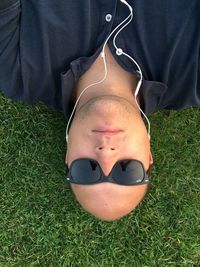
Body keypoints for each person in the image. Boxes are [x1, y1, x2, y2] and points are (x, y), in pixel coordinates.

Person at [0, 0, 199, 221]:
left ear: (68, 156)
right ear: (149, 155)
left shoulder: (19, 74)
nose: (106, 154)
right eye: (127, 169)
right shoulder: (192, 77)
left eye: (87, 169)